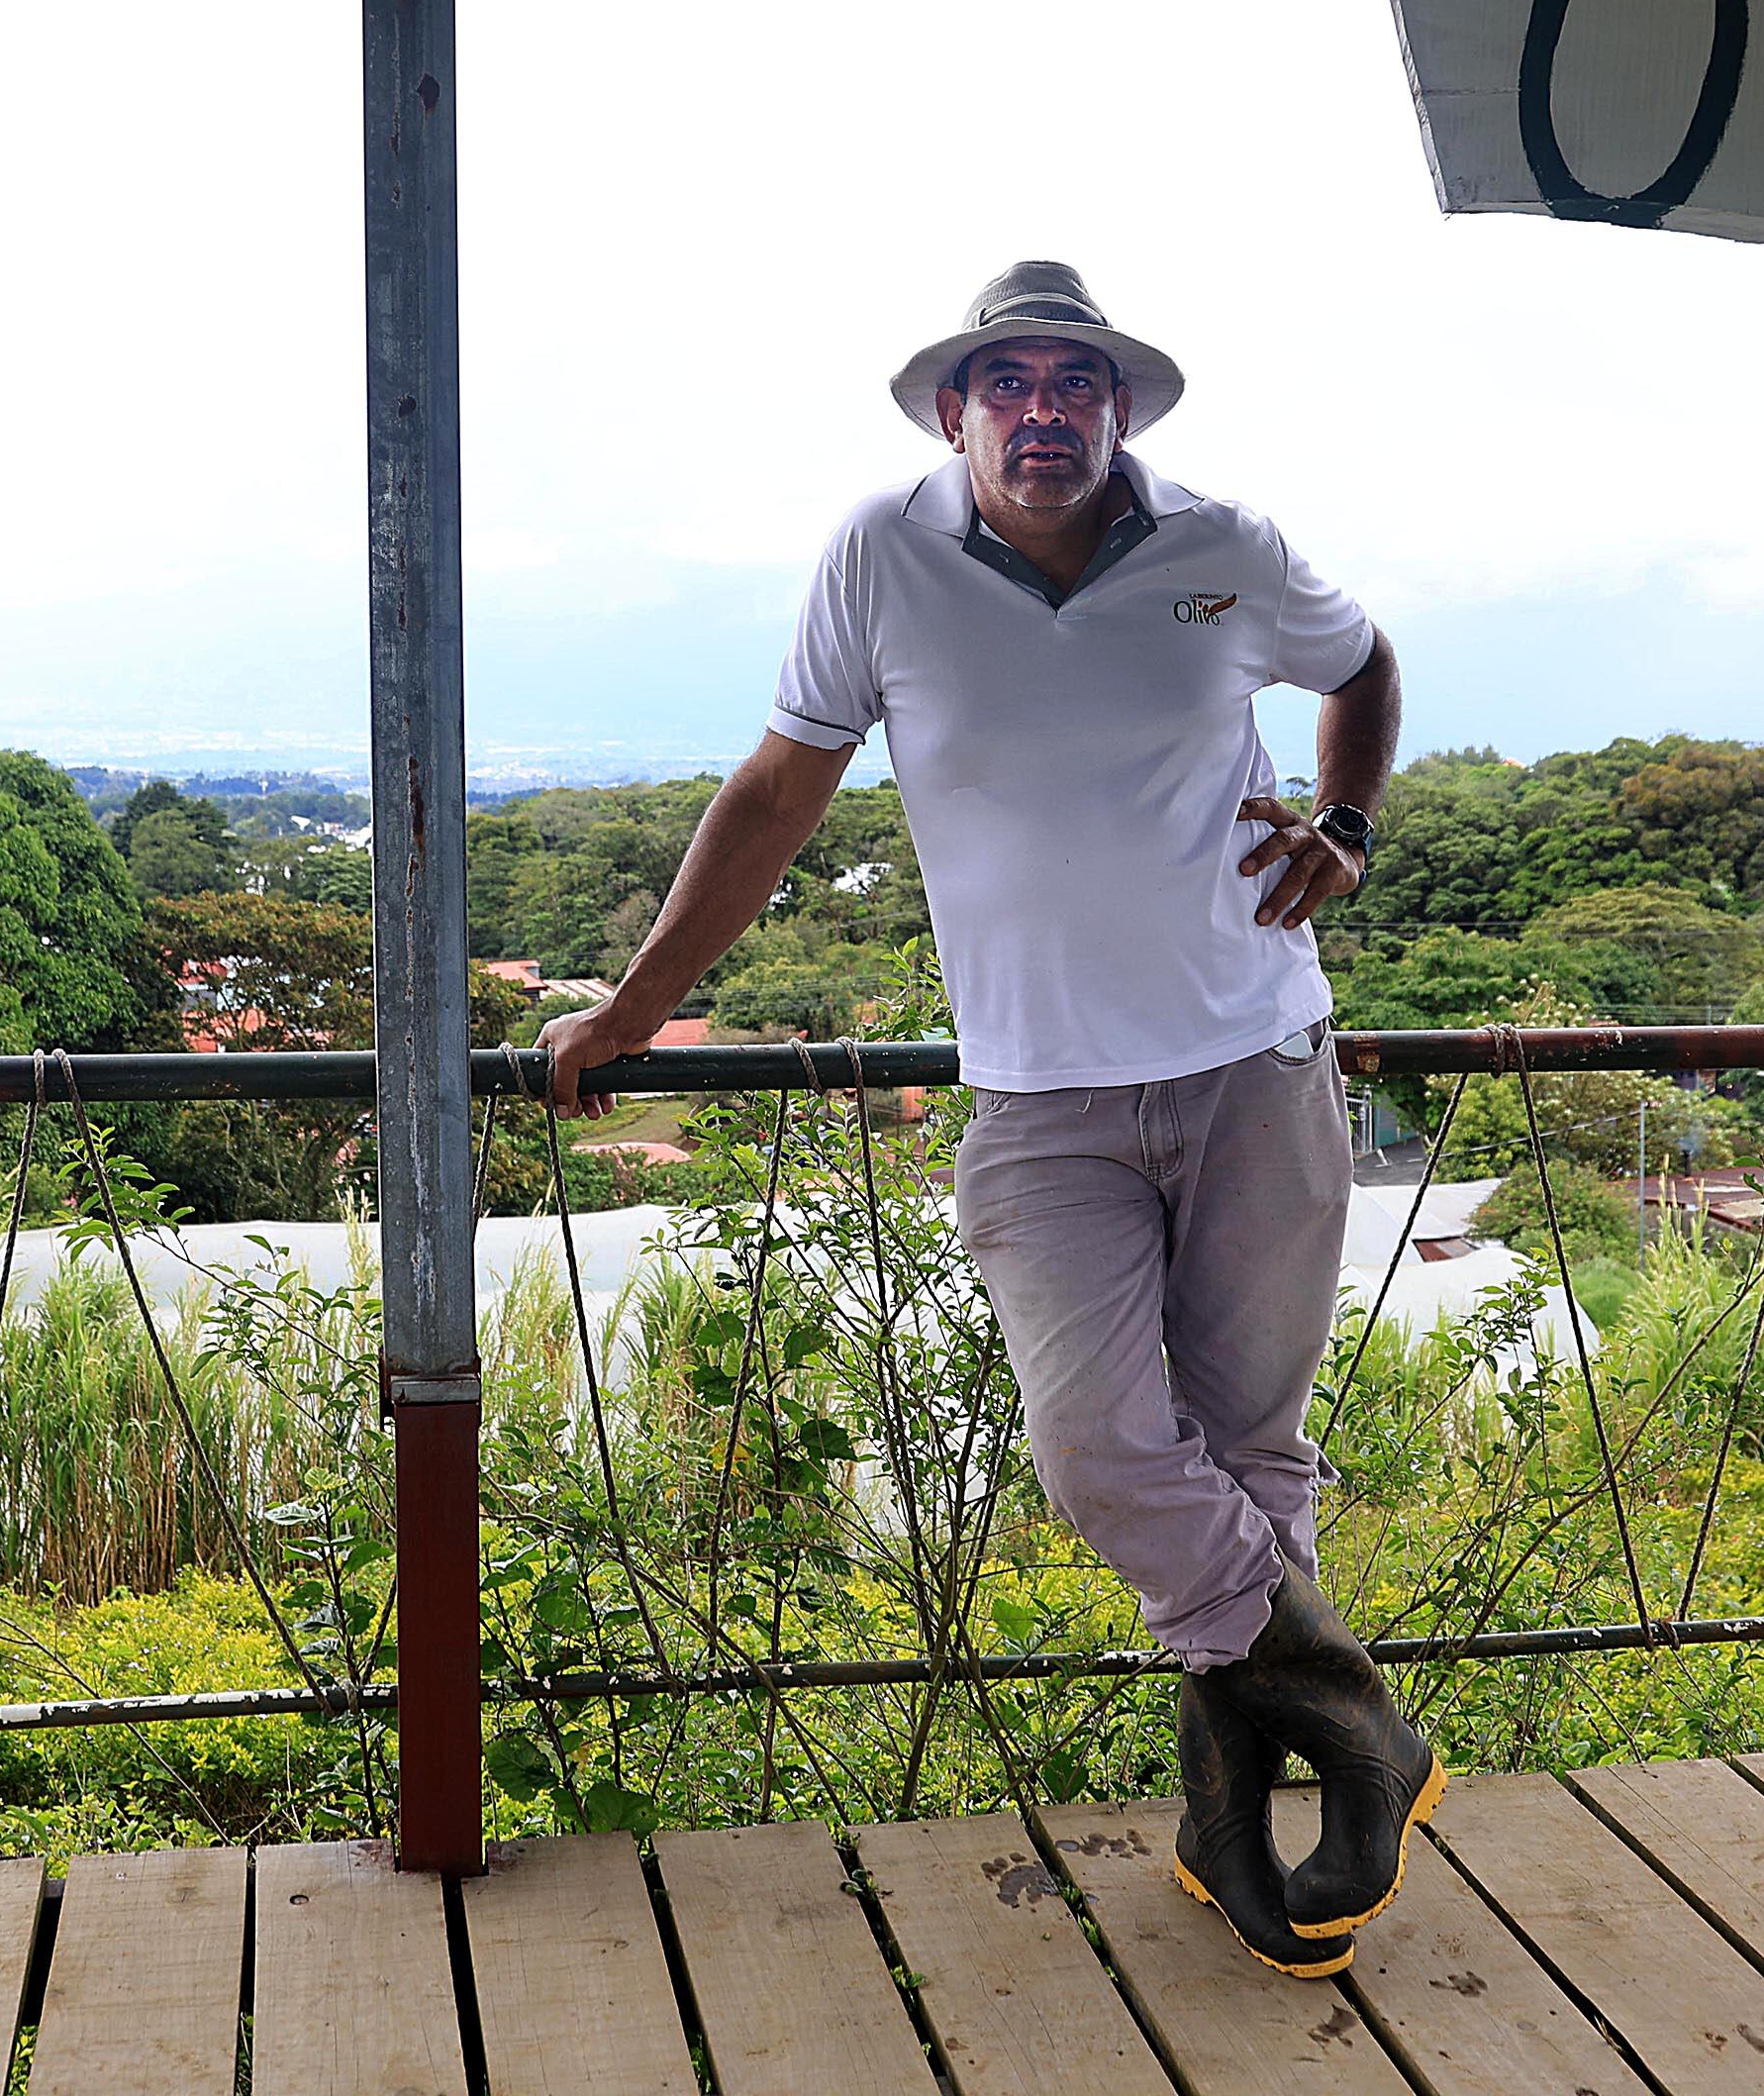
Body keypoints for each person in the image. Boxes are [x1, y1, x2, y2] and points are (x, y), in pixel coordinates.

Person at [539, 259, 1438, 1978]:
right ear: (956, 412)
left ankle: (1230, 1834)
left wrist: (1348, 818)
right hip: (1039, 1101)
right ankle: (1359, 1721)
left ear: (1120, 406)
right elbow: (782, 787)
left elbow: (1365, 660)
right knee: (1100, 1448)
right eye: (1006, 382)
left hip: (1257, 1064)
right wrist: (636, 1010)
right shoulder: (881, 556)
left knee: (1251, 1464)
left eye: (1074, 381)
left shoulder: (1226, 547)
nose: (1042, 410)